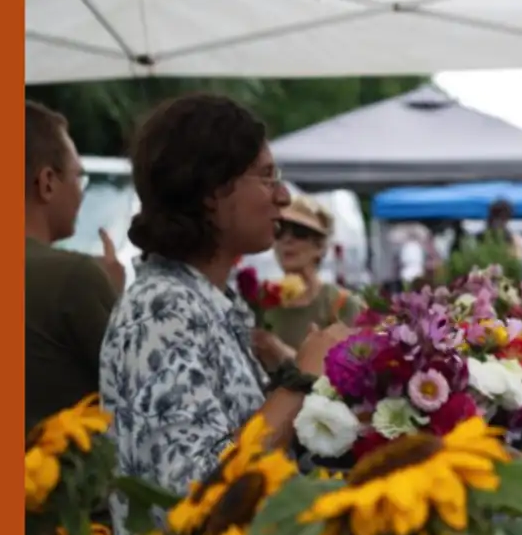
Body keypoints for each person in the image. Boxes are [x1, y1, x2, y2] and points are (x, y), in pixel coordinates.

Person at [99, 93, 351, 499]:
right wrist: (299, 381)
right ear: (212, 190)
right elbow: (193, 490)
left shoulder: (206, 302)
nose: (283, 197)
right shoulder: (161, 310)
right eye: (267, 177)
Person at [24, 100, 124, 434]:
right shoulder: (73, 278)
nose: (80, 192)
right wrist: (113, 293)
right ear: (47, 182)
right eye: (78, 176)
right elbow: (138, 394)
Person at [250, 195, 362, 363]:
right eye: (280, 231)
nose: (287, 240)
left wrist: (283, 353)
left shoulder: (342, 304)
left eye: (299, 233)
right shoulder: (260, 300)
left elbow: (351, 374)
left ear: (320, 246)